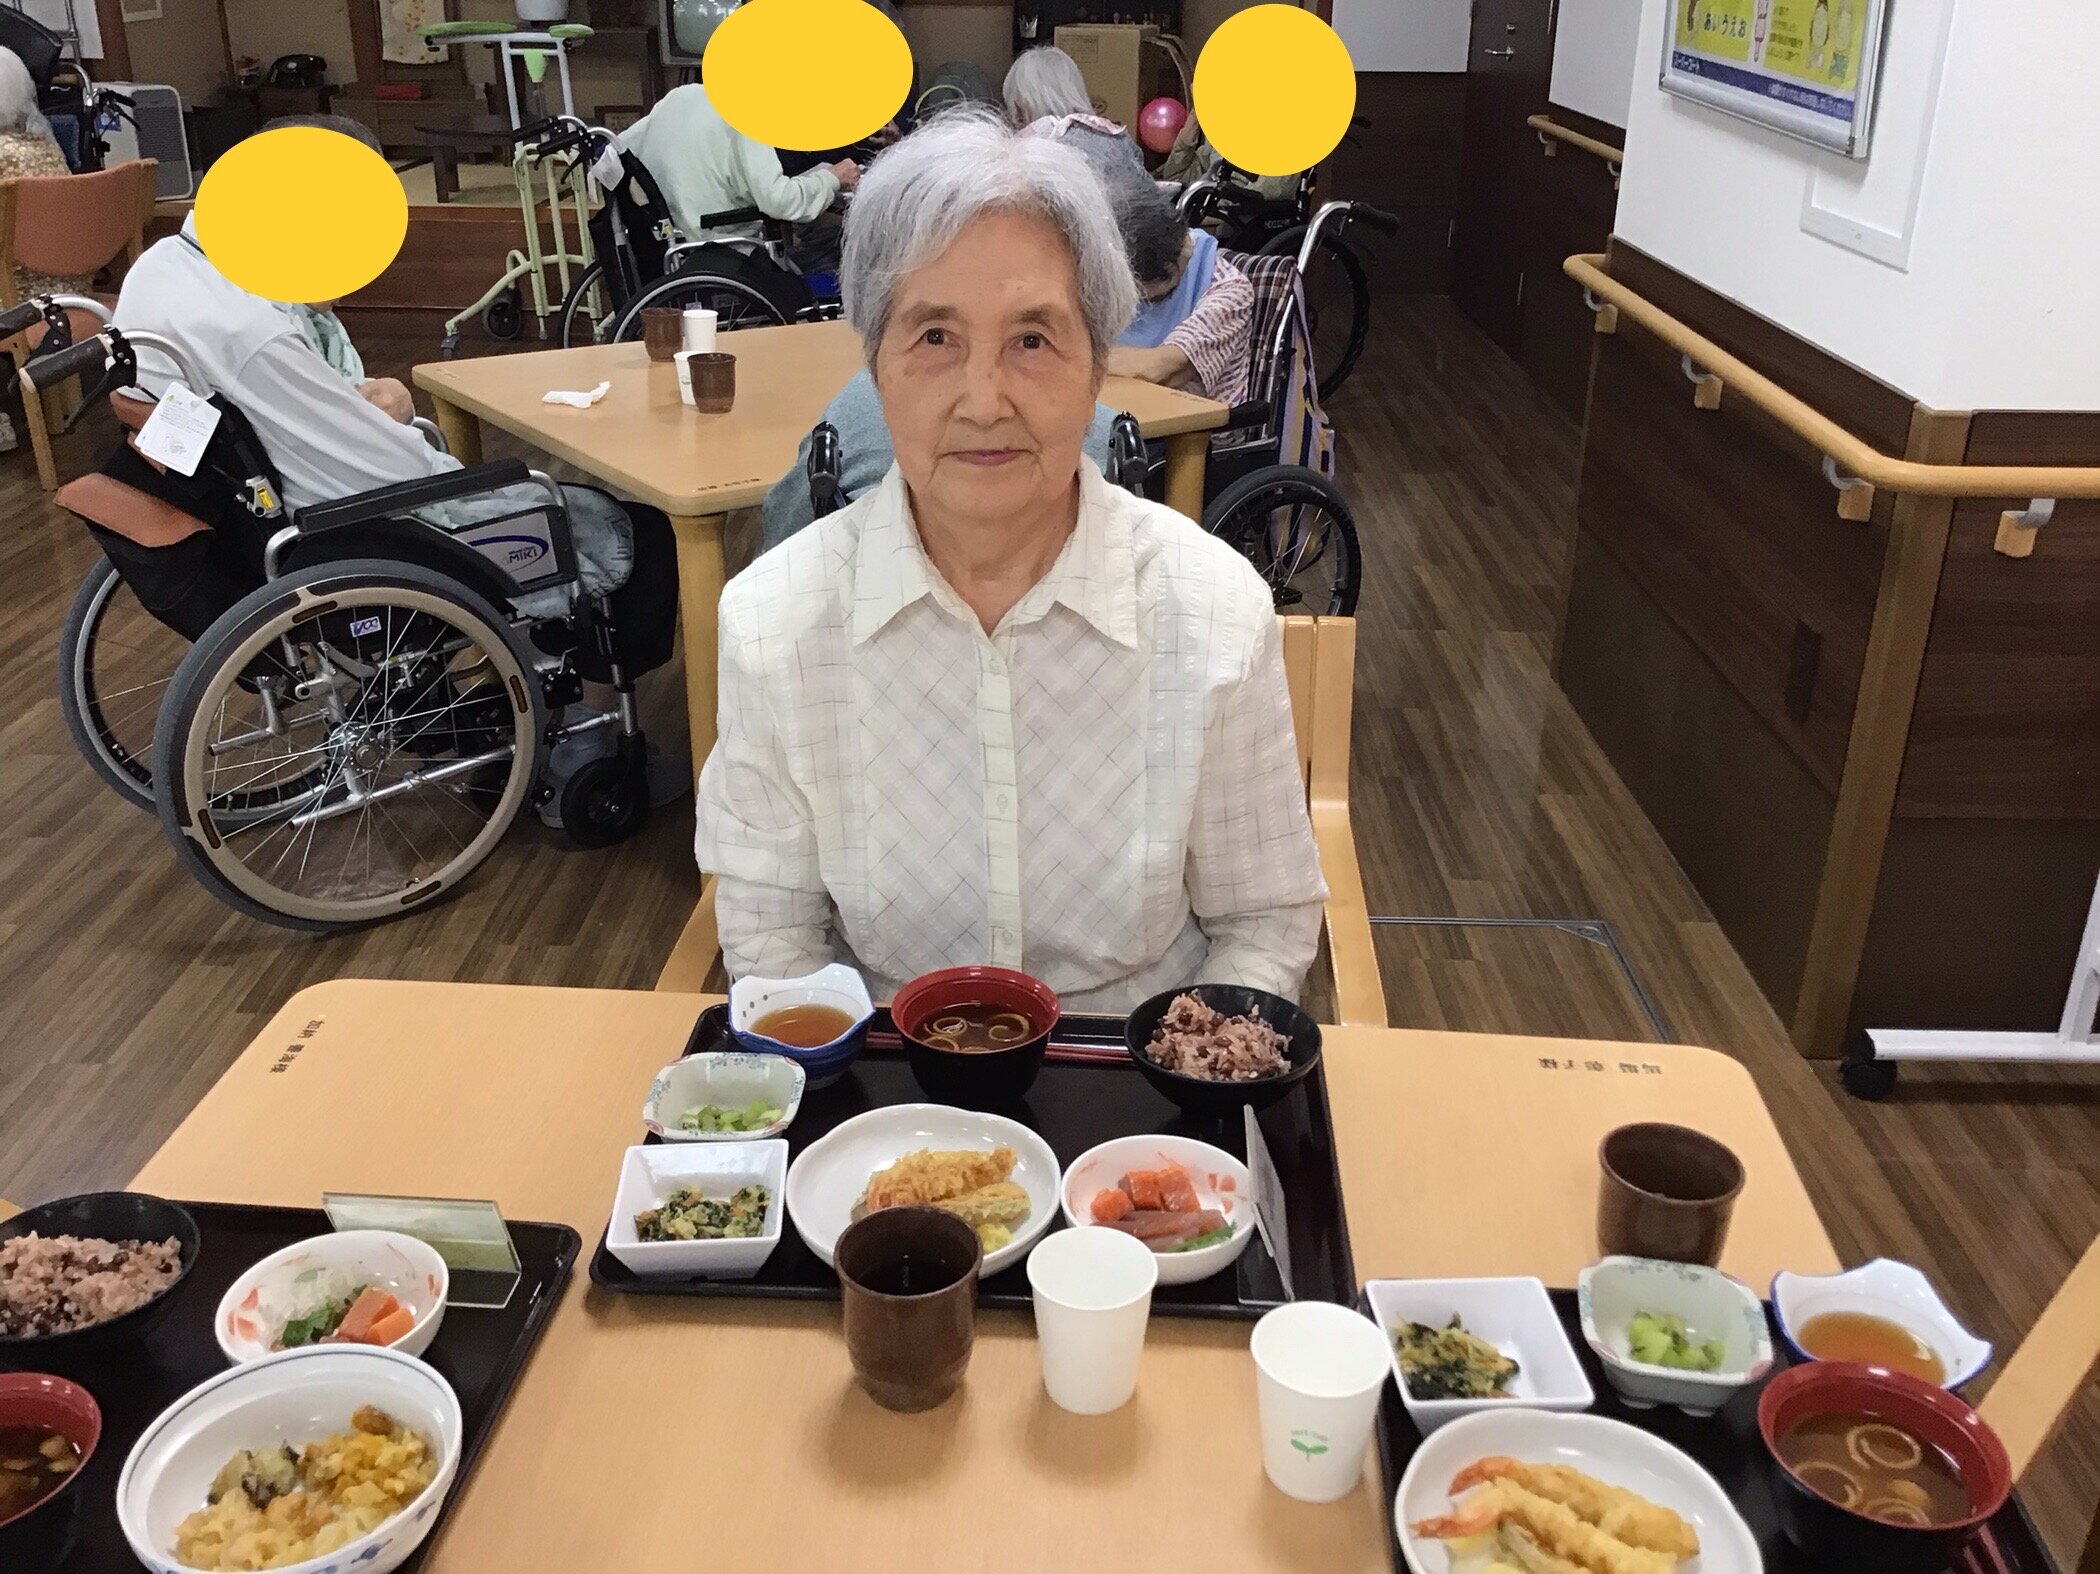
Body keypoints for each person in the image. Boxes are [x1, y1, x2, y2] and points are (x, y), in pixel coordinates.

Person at [696, 112, 1325, 1012]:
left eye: (1032, 340)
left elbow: (1260, 920)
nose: (984, 402)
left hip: (1137, 1064)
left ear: (1097, 366)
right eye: (934, 338)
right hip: (890, 1071)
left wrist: (1190, 1068)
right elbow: (773, 936)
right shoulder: (774, 621)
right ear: (874, 366)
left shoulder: (1212, 608)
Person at [112, 117, 681, 815]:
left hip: (266, 508)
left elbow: (302, 419)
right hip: (356, 529)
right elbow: (388, 470)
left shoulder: (164, 269)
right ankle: (599, 729)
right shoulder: (254, 332)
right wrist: (402, 417)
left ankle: (511, 693)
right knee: (639, 530)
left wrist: (354, 401)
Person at [618, 81, 859, 247]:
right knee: (832, 244)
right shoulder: (748, 117)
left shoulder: (680, 97)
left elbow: (618, 148)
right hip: (724, 251)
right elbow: (779, 202)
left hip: (667, 245)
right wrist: (832, 178)